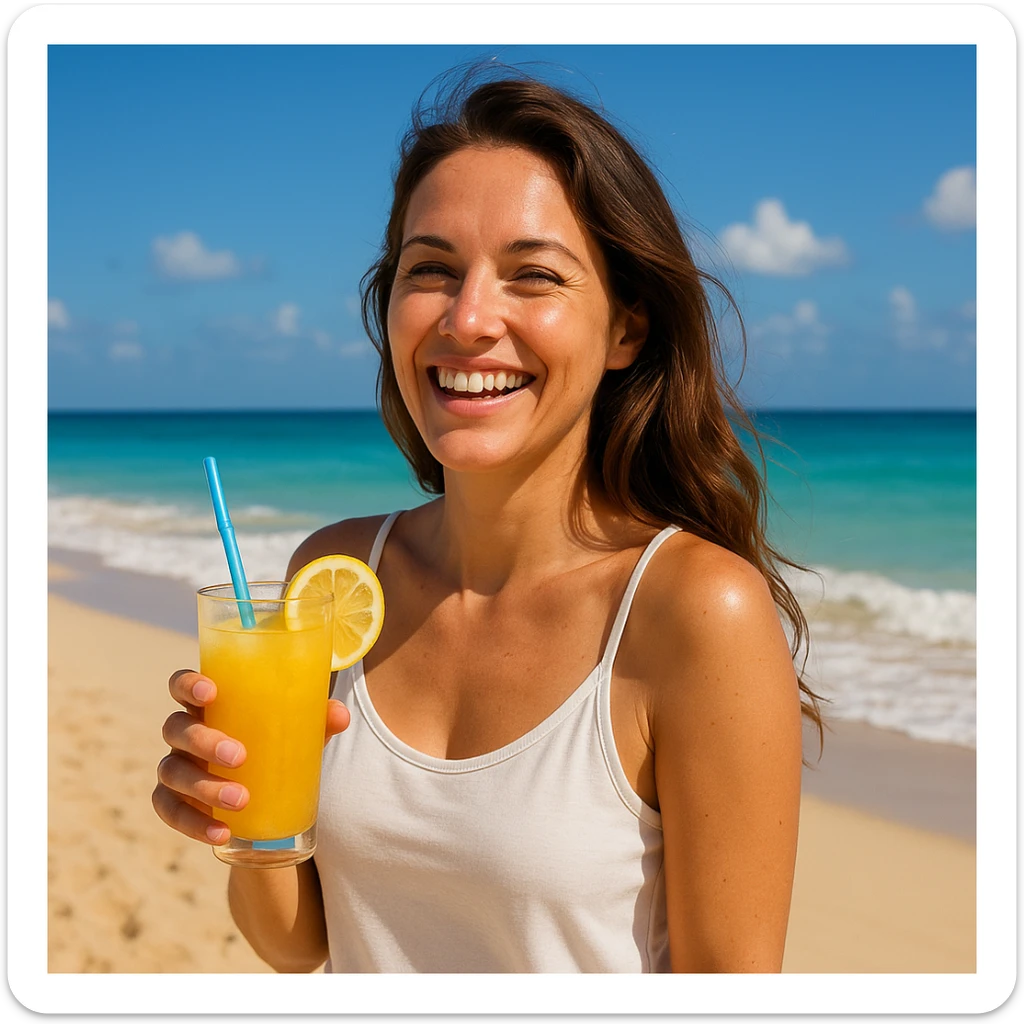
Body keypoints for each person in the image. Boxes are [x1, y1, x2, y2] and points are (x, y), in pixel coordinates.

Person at [153, 71, 823, 974]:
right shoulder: (336, 576)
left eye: (532, 276)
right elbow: (299, 939)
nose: (469, 319)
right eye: (431, 270)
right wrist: (244, 822)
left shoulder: (699, 612)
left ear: (627, 329)